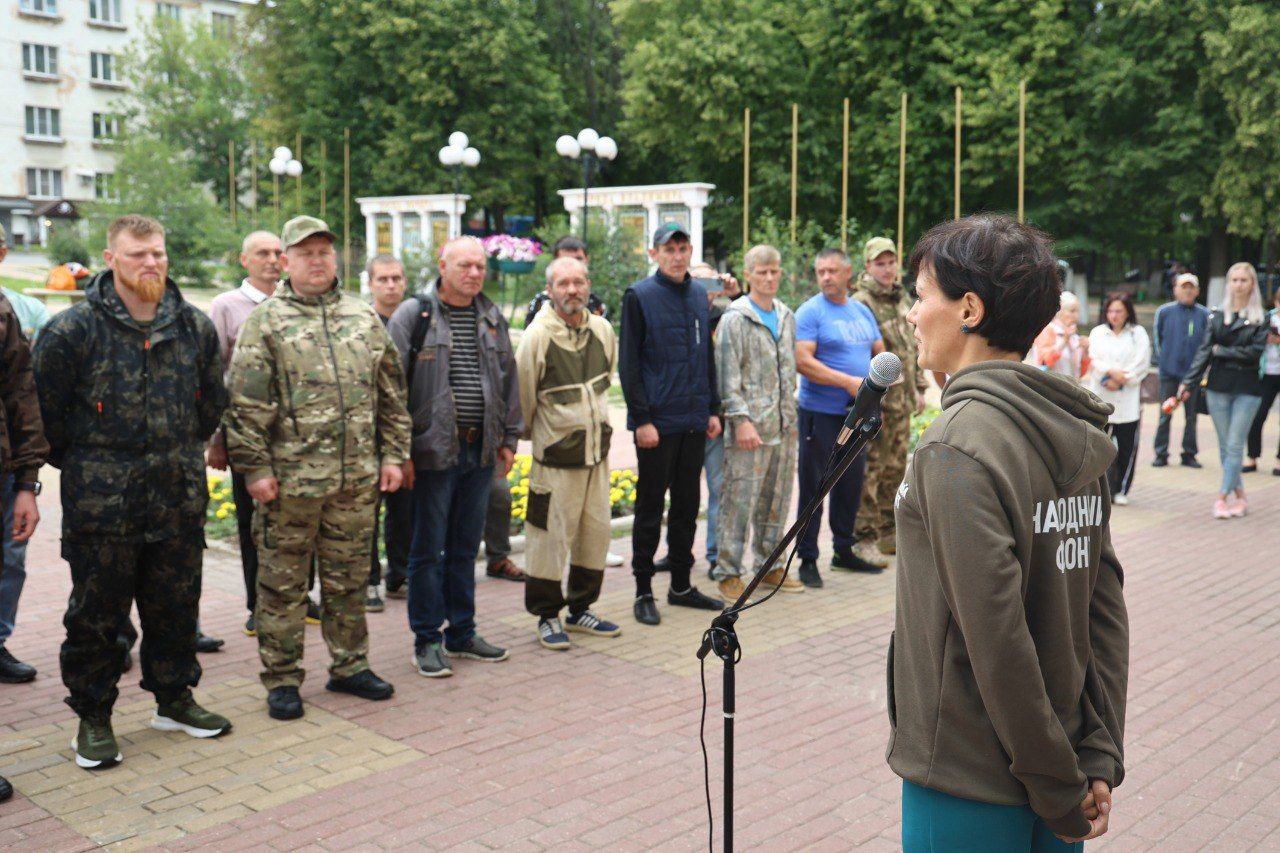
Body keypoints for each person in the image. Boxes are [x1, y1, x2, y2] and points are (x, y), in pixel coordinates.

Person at [892, 214, 1127, 850]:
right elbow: (1104, 606)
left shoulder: (955, 446)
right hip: (1066, 768)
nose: (913, 316)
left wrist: (1058, 781)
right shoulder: (1075, 432)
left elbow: (996, 638)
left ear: (968, 308)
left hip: (970, 775)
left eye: (921, 297)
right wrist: (1096, 753)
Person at [35, 215, 231, 769]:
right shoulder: (73, 331)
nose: (151, 263)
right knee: (96, 616)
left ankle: (174, 699)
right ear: (111, 258)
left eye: (159, 254)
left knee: (175, 606)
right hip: (103, 507)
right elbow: (47, 418)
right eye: (138, 254)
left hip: (176, 497)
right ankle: (93, 718)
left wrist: (172, 454)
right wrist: (97, 468)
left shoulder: (193, 326)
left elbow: (211, 405)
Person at [227, 216, 411, 720]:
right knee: (283, 585)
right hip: (289, 485)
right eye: (305, 252)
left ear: (336, 259)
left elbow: (391, 395)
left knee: (348, 580)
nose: (316, 260)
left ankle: (350, 666)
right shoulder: (267, 321)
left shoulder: (363, 317)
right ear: (285, 261)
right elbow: (245, 405)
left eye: (324, 252)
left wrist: (394, 455)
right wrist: (255, 469)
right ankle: (283, 678)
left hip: (354, 484)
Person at [387, 236, 520, 678]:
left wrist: (508, 439)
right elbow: (389, 386)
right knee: (427, 550)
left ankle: (462, 632)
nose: (474, 274)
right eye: (465, 265)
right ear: (442, 266)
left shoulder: (492, 317)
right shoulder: (415, 314)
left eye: (480, 266)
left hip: (479, 450)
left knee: (465, 547)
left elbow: (508, 380)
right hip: (431, 451)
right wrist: (398, 451)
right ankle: (427, 638)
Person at [619, 222, 725, 625]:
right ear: (654, 254)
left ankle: (680, 584)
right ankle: (643, 589)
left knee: (686, 506)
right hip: (658, 424)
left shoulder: (699, 296)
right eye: (669, 249)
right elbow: (628, 364)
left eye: (682, 248)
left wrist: (712, 409)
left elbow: (705, 358)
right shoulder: (639, 296)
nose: (677, 255)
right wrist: (641, 419)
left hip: (694, 420)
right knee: (650, 508)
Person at [515, 257, 622, 649]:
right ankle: (546, 614)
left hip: (596, 457)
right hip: (555, 460)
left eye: (578, 282)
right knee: (548, 538)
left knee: (594, 533)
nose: (572, 290)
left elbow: (607, 378)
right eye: (563, 283)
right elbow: (524, 397)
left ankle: (581, 609)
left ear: (588, 284)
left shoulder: (603, 330)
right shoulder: (536, 337)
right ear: (551, 289)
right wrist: (541, 436)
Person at [206, 230, 292, 637]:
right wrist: (218, 440)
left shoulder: (295, 303)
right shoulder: (226, 307)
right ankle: (257, 604)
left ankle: (298, 596)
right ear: (245, 260)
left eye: (278, 252)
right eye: (263, 253)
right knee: (252, 524)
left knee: (296, 521)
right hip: (248, 437)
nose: (273, 260)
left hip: (297, 441)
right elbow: (214, 376)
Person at [793, 248, 886, 587]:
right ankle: (806, 557)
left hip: (857, 417)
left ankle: (843, 551)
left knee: (849, 485)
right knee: (815, 487)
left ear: (848, 273)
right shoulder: (810, 312)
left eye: (833, 271)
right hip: (821, 414)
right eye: (821, 272)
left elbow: (879, 352)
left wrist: (876, 396)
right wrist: (847, 382)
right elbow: (802, 361)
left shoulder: (861, 311)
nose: (827, 277)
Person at [712, 244, 800, 601]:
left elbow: (790, 370)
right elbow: (728, 376)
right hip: (749, 428)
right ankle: (728, 570)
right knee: (739, 500)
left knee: (777, 498)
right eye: (761, 272)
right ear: (747, 275)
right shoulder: (735, 318)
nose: (768, 277)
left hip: (783, 424)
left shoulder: (786, 314)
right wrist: (740, 420)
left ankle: (770, 565)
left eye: (774, 271)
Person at [0, 223, 48, 799]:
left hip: (4, 474)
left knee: (9, 564)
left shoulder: (4, 311)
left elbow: (21, 392)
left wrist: (28, 482)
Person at [851, 237, 928, 561]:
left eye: (890, 262)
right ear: (867, 266)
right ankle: (863, 536)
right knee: (872, 469)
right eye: (879, 263)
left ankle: (886, 531)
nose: (886, 268)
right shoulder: (861, 302)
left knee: (896, 467)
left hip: (903, 402)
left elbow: (912, 346)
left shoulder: (901, 298)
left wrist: (920, 387)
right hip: (880, 403)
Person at [1179, 262, 1270, 518]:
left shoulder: (1261, 318)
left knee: (1234, 444)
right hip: (1218, 386)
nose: (1239, 284)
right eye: (1234, 280)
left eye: (1244, 280)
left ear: (1252, 284)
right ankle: (1240, 496)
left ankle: (1221, 498)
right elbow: (1205, 352)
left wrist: (1222, 351)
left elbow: (1254, 353)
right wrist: (1188, 383)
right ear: (1229, 283)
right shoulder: (1217, 315)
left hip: (1248, 389)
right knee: (1224, 446)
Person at [363, 254, 414, 610]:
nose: (390, 285)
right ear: (370, 284)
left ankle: (399, 575)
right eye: (383, 279)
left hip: (406, 431)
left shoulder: (417, 322)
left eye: (396, 278)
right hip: (367, 433)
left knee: (404, 509)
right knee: (367, 510)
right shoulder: (361, 324)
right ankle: (369, 581)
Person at [1086, 293, 1150, 506]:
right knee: (1098, 447)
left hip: (1128, 401)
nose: (1114, 315)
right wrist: (1110, 374)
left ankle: (1120, 489)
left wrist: (1122, 380)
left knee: (1126, 448)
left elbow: (1141, 364)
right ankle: (1097, 488)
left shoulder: (1137, 333)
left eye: (1119, 311)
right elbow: (1094, 361)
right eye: (1111, 311)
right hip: (1101, 397)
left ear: (1127, 312)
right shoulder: (1098, 333)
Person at [1151, 272, 1208, 468]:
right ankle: (1160, 453)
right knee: (1164, 414)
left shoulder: (1204, 314)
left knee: (1191, 417)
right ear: (1175, 290)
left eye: (1191, 287)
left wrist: (1200, 372)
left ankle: (1189, 454)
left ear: (1198, 291)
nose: (1188, 290)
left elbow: (1206, 346)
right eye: (1183, 286)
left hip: (1193, 377)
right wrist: (1164, 364)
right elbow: (1158, 340)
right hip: (1169, 374)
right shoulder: (1164, 312)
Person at [1243, 286, 1280, 475]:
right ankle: (1252, 456)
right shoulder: (1267, 318)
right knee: (1257, 415)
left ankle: (1279, 461)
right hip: (1266, 373)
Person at [1032, 291, 1090, 381]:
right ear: (1060, 311)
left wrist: (1086, 351)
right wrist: (1064, 342)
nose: (1076, 316)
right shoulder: (1048, 330)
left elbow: (1081, 373)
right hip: (1052, 388)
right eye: (1072, 311)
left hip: (1071, 388)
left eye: (1078, 311)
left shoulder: (1074, 335)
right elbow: (1044, 361)